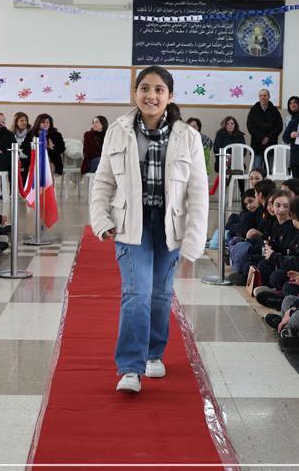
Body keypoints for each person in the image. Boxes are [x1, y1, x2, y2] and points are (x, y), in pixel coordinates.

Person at [89, 65, 208, 394]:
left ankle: (154, 353)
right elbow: (103, 181)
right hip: (132, 224)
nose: (151, 95)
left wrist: (195, 237)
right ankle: (130, 367)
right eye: (144, 88)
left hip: (170, 224)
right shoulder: (118, 130)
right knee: (136, 293)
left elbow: (198, 191)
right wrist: (101, 219)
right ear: (135, 93)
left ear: (170, 96)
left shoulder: (187, 136)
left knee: (160, 293)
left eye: (158, 90)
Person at [246, 88, 283, 169]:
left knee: (270, 171)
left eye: (265, 95)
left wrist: (268, 137)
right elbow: (250, 126)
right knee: (257, 170)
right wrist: (262, 137)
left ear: (269, 97)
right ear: (259, 97)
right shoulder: (253, 110)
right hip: (257, 144)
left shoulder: (275, 110)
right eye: (261, 96)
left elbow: (279, 126)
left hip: (271, 144)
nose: (263, 97)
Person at [10, 112, 30, 183]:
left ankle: (25, 188)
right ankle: (12, 187)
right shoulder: (10, 133)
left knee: (26, 165)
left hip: (27, 157)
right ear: (16, 122)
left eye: (25, 120)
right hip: (14, 157)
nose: (24, 122)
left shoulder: (31, 132)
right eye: (21, 120)